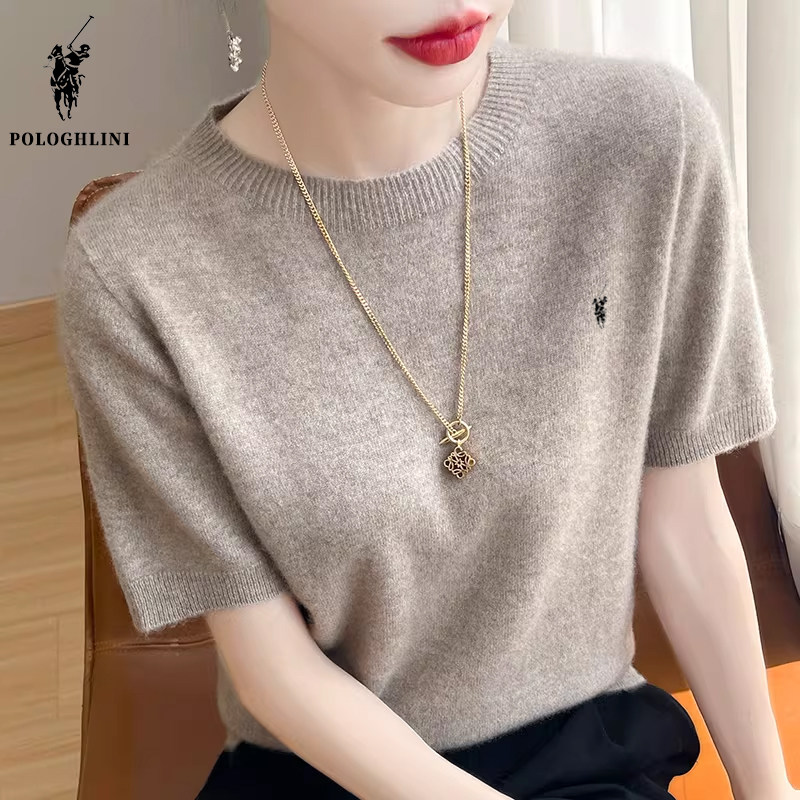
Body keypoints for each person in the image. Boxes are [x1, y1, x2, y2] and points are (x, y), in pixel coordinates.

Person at [55, 2, 796, 799]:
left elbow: (685, 518)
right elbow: (272, 670)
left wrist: (769, 790)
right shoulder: (135, 272)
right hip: (325, 773)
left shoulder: (642, 138)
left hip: (587, 757)